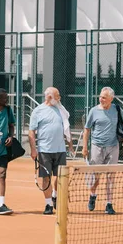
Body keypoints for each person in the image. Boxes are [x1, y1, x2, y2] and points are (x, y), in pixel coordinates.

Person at [82, 87, 123, 215]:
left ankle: (109, 204)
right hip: (97, 146)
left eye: (104, 97)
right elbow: (87, 129)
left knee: (111, 177)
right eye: (100, 97)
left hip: (113, 147)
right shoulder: (93, 111)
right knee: (96, 177)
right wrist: (84, 147)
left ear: (111, 99)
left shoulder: (117, 109)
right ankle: (93, 195)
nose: (101, 99)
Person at [28, 87, 74, 215]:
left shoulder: (61, 110)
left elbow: (66, 128)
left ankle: (55, 195)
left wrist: (70, 145)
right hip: (44, 150)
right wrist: (33, 149)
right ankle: (48, 204)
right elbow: (31, 132)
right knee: (45, 178)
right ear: (49, 97)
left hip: (60, 150)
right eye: (57, 96)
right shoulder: (38, 111)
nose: (59, 98)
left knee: (60, 177)